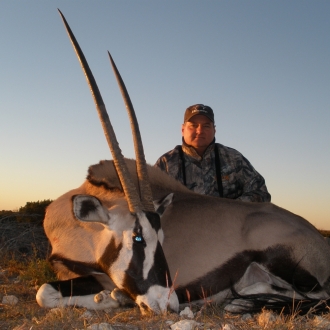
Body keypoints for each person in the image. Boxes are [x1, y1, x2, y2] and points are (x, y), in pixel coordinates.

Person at [155, 104, 271, 202]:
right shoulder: (166, 163)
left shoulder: (233, 159)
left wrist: (231, 209)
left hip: (227, 226)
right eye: (193, 126)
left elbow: (261, 192)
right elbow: (148, 201)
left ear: (214, 130)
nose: (200, 131)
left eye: (206, 126)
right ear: (182, 129)